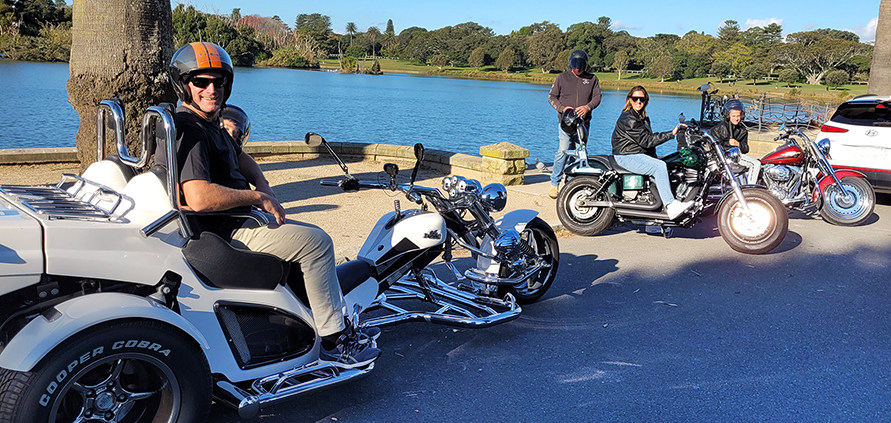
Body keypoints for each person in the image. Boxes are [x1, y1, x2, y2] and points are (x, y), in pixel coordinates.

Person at [166, 42, 379, 366]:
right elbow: (198, 196)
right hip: (226, 229)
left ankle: (307, 311)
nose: (212, 89)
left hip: (234, 220)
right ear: (184, 84)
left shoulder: (210, 122)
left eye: (218, 82)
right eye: (201, 82)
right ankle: (337, 341)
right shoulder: (191, 130)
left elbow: (239, 155)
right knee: (317, 242)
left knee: (300, 236)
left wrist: (262, 182)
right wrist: (258, 197)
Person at [611, 86, 694, 220]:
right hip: (626, 155)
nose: (638, 101)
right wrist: (671, 134)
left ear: (646, 101)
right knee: (659, 166)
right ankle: (671, 206)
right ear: (630, 100)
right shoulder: (629, 118)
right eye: (635, 98)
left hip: (636, 153)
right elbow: (646, 141)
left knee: (669, 162)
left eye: (642, 99)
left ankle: (656, 214)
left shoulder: (641, 117)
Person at [547, 49, 602, 198]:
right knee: (563, 150)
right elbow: (552, 97)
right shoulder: (561, 77)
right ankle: (554, 183)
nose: (577, 69)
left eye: (580, 66)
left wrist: (587, 107)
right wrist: (562, 109)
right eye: (574, 65)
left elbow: (597, 97)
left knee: (580, 153)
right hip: (565, 123)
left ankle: (571, 183)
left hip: (583, 124)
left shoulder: (592, 79)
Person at [708, 99, 760, 184]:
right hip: (723, 159)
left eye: (738, 116)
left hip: (737, 157)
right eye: (733, 116)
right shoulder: (717, 129)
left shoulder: (743, 130)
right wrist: (728, 147)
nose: (736, 119)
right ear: (728, 115)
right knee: (755, 164)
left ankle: (749, 186)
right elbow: (715, 149)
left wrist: (738, 144)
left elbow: (746, 149)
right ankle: (751, 189)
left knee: (757, 164)